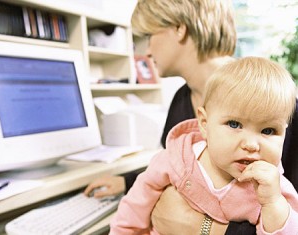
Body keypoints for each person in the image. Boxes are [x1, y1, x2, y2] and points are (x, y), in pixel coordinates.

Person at [85, 0, 298, 233]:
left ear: (179, 28)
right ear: (203, 121)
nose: (145, 51)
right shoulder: (181, 100)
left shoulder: (276, 104)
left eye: (148, 35)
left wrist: (204, 228)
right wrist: (128, 181)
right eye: (234, 124)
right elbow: (176, 162)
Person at [109, 56, 298, 235]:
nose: (251, 145)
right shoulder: (177, 158)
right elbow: (132, 210)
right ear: (204, 124)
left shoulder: (274, 188)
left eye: (268, 131)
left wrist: (273, 204)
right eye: (234, 124)